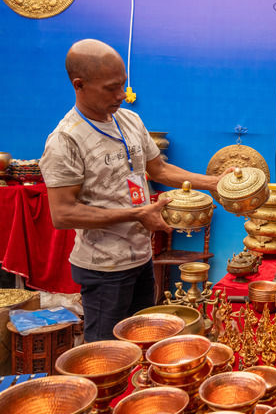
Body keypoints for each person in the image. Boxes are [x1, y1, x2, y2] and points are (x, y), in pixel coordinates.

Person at [39, 39, 225, 342]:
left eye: (123, 84)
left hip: (139, 257)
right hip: (104, 267)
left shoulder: (130, 120)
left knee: (141, 343)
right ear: (79, 85)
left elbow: (159, 169)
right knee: (107, 353)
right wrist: (137, 214)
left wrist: (213, 183)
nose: (121, 95)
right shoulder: (66, 140)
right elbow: (62, 214)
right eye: (111, 88)